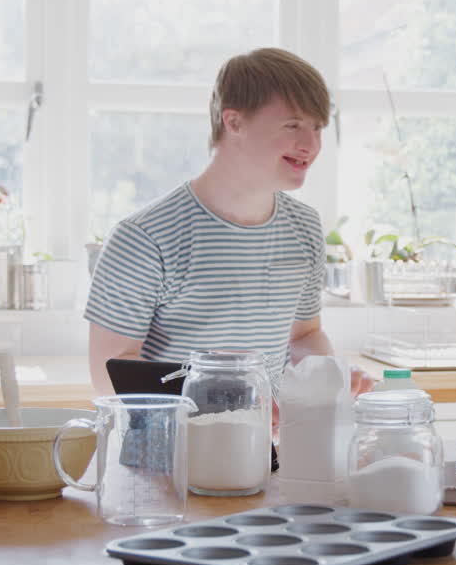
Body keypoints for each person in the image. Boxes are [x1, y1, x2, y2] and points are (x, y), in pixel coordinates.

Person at [85, 47, 373, 398]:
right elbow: (109, 376)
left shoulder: (305, 227)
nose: (311, 145)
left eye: (317, 127)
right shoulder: (144, 238)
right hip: (175, 436)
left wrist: (331, 376)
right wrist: (228, 407)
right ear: (234, 122)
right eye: (293, 125)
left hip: (270, 433)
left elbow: (303, 336)